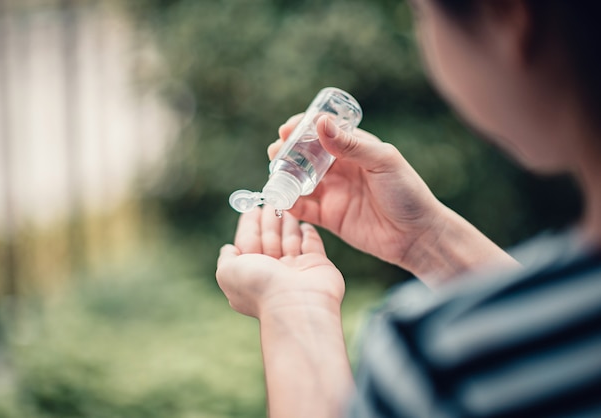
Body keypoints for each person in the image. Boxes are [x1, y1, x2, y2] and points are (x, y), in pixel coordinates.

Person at [215, 0, 601, 416]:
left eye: (419, 13)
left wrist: (292, 309)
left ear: (508, 17)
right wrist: (424, 239)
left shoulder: (444, 357)